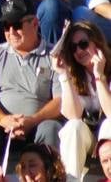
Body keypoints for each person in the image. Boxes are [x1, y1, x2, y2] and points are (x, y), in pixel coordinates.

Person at [0, 0, 62, 155]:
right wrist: (3, 120)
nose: (11, 32)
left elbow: (60, 100)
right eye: (6, 27)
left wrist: (32, 121)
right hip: (2, 128)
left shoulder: (54, 55)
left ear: (35, 23)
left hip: (38, 125)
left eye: (17, 25)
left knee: (51, 128)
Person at [50, 20, 111, 179]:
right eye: (73, 47)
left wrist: (99, 76)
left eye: (83, 44)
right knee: (73, 127)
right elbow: (74, 115)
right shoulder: (74, 76)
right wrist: (64, 75)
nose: (79, 51)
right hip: (91, 140)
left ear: (96, 43)